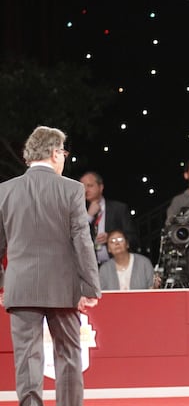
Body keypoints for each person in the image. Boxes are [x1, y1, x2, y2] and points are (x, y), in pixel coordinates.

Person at [0, 126, 101, 405]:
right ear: (56, 153)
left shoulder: (4, 191)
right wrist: (91, 286)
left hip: (20, 288)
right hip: (62, 287)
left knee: (27, 359)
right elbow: (82, 241)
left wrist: (1, 284)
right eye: (64, 153)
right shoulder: (72, 189)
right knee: (69, 355)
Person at [80, 171, 139, 264]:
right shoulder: (79, 212)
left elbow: (133, 239)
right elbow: (75, 239)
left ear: (101, 187)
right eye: (83, 187)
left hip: (117, 265)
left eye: (90, 186)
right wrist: (89, 216)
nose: (86, 190)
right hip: (92, 268)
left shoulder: (118, 208)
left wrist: (111, 238)